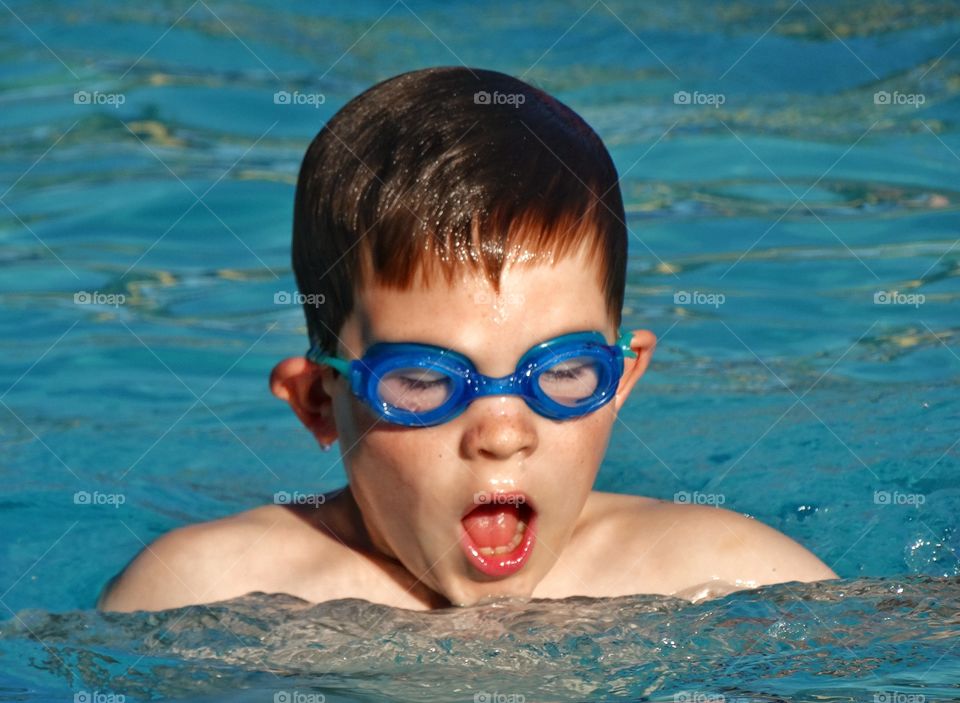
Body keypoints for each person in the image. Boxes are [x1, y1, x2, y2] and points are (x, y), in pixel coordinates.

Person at [98, 66, 836, 613]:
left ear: (624, 379)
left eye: (566, 371)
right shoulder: (205, 592)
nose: (504, 432)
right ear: (320, 401)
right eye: (423, 382)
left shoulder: (724, 574)